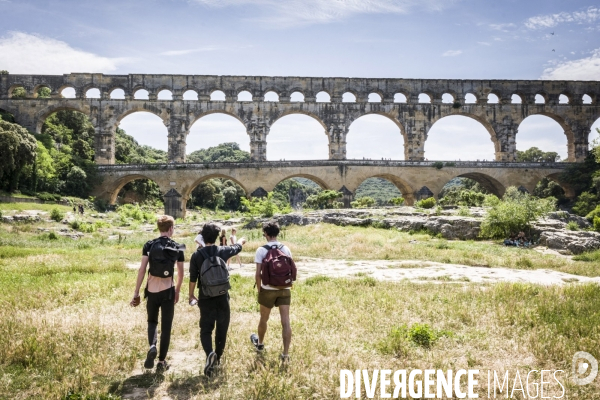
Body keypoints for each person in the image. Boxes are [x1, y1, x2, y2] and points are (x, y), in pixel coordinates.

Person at [189, 223, 246, 377]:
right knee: (222, 329)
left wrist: (191, 295)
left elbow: (193, 278)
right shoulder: (223, 250)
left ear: (202, 236)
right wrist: (240, 241)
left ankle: (209, 353)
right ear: (216, 237)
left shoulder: (197, 255)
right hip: (222, 297)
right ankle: (217, 360)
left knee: (206, 329)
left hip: (205, 297)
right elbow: (237, 248)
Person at [130, 215, 184, 373]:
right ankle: (161, 362)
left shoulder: (149, 245)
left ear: (159, 228)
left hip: (151, 290)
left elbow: (142, 270)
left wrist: (136, 292)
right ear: (171, 229)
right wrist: (178, 290)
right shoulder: (177, 246)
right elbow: (181, 273)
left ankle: (152, 346)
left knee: (152, 321)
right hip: (168, 291)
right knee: (166, 327)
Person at [250, 221, 294, 365]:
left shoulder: (261, 250)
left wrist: (260, 289)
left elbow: (258, 274)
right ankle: (285, 354)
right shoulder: (285, 249)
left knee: (264, 319)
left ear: (266, 234)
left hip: (267, 288)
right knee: (286, 322)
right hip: (284, 288)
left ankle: (260, 344)